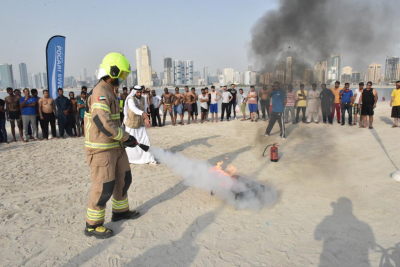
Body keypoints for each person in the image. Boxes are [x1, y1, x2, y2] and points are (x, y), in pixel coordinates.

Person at [84, 53, 140, 239]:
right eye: (121, 75)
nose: (122, 79)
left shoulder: (110, 90)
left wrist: (125, 139)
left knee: (124, 178)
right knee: (104, 187)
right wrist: (125, 137)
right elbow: (103, 122)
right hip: (101, 149)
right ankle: (93, 225)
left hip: (116, 147)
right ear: (112, 71)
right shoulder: (100, 91)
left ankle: (120, 212)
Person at [124, 86, 157, 165]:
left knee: (146, 140)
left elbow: (145, 109)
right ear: (134, 92)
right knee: (130, 143)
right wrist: (143, 114)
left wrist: (146, 119)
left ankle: (149, 159)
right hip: (131, 125)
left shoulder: (143, 98)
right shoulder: (130, 99)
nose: (139, 94)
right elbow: (133, 108)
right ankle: (129, 159)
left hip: (141, 124)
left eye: (140, 92)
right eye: (137, 92)